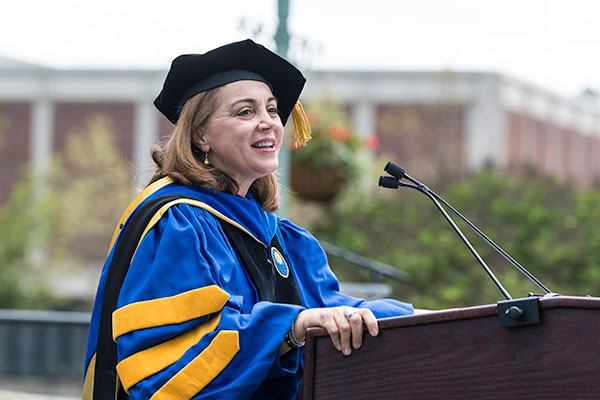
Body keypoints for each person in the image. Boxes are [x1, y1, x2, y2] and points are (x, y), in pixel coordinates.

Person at [83, 39, 414, 400]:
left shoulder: (284, 239)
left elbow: (334, 310)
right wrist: (291, 327)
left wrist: (434, 319)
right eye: (245, 112)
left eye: (272, 111)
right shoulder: (178, 223)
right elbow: (178, 358)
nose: (268, 123)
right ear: (200, 134)